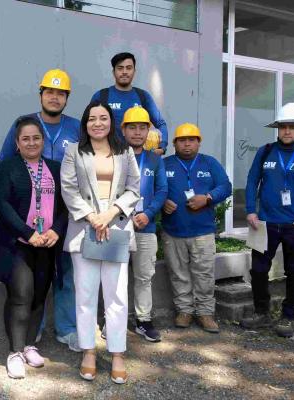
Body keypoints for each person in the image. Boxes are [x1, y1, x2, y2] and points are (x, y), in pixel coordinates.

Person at [0, 68, 82, 352]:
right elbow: (5, 166)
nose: (54, 98)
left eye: (60, 93)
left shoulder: (77, 127)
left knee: (66, 274)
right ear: (41, 94)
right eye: (50, 92)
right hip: (29, 224)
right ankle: (33, 333)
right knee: (33, 279)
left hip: (64, 216)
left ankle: (67, 329)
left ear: (67, 98)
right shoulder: (25, 124)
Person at [60, 101, 140, 384]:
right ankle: (89, 352)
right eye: (91, 118)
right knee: (85, 296)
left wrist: (109, 214)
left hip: (116, 225)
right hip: (85, 228)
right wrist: (93, 218)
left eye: (103, 118)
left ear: (111, 122)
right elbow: (68, 189)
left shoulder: (125, 151)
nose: (97, 123)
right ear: (85, 124)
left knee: (117, 295)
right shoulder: (74, 152)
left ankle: (117, 353)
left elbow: (134, 188)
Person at [0, 116, 66, 379]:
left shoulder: (56, 168)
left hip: (47, 243)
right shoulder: (8, 168)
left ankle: (29, 345)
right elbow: (0, 203)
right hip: (18, 244)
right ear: (17, 142)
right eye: (26, 138)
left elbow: (67, 205)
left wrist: (56, 229)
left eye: (36, 138)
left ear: (43, 141)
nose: (31, 142)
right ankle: (14, 352)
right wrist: (27, 232)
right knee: (21, 295)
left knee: (39, 296)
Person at [241, 103, 294, 338]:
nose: (287, 131)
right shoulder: (265, 151)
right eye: (283, 126)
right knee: (258, 270)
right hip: (264, 223)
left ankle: (288, 316)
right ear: (277, 128)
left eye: (292, 127)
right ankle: (262, 312)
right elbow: (251, 180)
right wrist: (250, 210)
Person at [162, 123, 232, 333]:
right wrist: (163, 200)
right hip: (173, 230)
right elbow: (153, 188)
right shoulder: (165, 164)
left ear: (199, 142)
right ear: (174, 143)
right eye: (182, 140)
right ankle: (184, 311)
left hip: (203, 231)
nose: (187, 144)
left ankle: (205, 313)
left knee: (204, 274)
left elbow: (226, 186)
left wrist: (208, 198)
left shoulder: (209, 163)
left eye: (191, 140)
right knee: (178, 273)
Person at [121, 106, 168, 341]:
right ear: (124, 130)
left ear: (148, 131)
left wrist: (148, 214)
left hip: (146, 226)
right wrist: (124, 215)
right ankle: (114, 320)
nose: (137, 132)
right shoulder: (116, 156)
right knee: (116, 276)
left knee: (144, 276)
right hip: (120, 226)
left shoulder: (154, 159)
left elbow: (162, 190)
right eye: (132, 127)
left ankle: (143, 320)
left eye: (142, 127)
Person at [90, 52, 169, 154]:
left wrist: (162, 147)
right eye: (120, 68)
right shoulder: (101, 96)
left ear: (134, 71)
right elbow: (87, 125)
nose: (124, 72)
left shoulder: (143, 96)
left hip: (137, 159)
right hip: (107, 158)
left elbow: (161, 123)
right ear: (113, 72)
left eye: (128, 68)